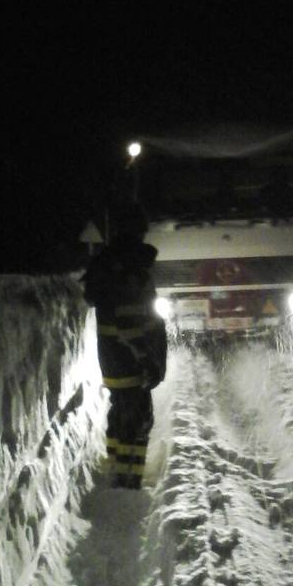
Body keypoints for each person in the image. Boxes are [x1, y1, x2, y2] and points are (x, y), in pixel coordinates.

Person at [83, 203, 167, 489]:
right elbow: (130, 318)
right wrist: (146, 357)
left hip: (111, 355)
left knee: (120, 411)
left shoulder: (108, 262)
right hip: (129, 355)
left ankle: (118, 470)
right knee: (138, 417)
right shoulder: (130, 266)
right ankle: (130, 480)